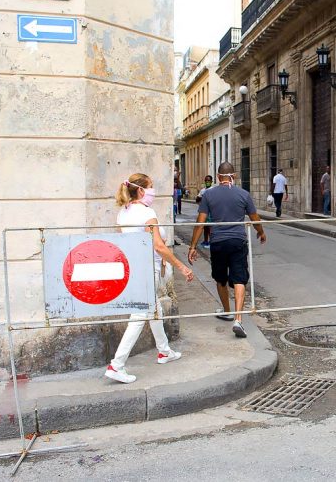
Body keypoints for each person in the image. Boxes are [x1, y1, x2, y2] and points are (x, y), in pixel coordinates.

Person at [105, 173, 195, 384]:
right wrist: (182, 267)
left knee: (154, 309)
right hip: (147, 269)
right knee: (138, 316)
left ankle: (164, 351)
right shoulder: (146, 212)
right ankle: (116, 365)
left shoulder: (123, 213)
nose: (154, 191)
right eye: (152, 187)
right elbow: (158, 246)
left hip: (134, 269)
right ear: (142, 190)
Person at [189, 162, 266, 338]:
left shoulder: (209, 194)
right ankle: (238, 319)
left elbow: (200, 222)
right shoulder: (243, 194)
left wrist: (193, 246)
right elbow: (255, 218)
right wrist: (261, 233)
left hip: (218, 242)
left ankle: (227, 310)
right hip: (238, 241)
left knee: (220, 277)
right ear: (235, 176)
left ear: (218, 177)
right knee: (240, 278)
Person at [195, 175, 213, 247]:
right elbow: (197, 199)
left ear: (211, 181)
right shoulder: (203, 190)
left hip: (210, 212)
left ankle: (212, 241)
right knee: (204, 227)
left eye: (208, 181)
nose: (207, 182)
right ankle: (205, 241)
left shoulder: (213, 190)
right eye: (206, 181)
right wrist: (201, 198)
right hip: (203, 211)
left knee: (210, 227)